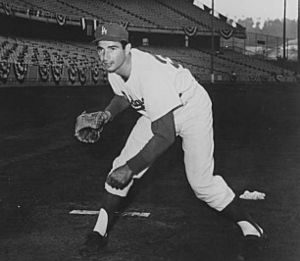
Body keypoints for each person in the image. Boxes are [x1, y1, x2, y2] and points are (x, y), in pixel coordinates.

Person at [79, 23, 266, 259]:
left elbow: (165, 135)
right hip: (156, 111)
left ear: (128, 49)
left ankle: (251, 228)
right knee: (119, 166)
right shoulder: (114, 69)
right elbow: (124, 94)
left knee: (201, 184)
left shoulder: (150, 76)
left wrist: (132, 168)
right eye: (101, 49)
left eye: (113, 48)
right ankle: (99, 232)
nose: (105, 56)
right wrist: (107, 114)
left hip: (191, 110)